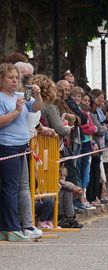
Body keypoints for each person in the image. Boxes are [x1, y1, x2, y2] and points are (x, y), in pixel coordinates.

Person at [0, 63, 43, 241]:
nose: (15, 81)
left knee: (18, 187)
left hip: (21, 146)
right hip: (7, 146)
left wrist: (37, 94)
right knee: (10, 188)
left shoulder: (20, 95)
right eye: (11, 78)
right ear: (2, 79)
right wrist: (17, 111)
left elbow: (37, 107)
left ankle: (13, 226)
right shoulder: (2, 98)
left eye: (16, 78)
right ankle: (11, 228)